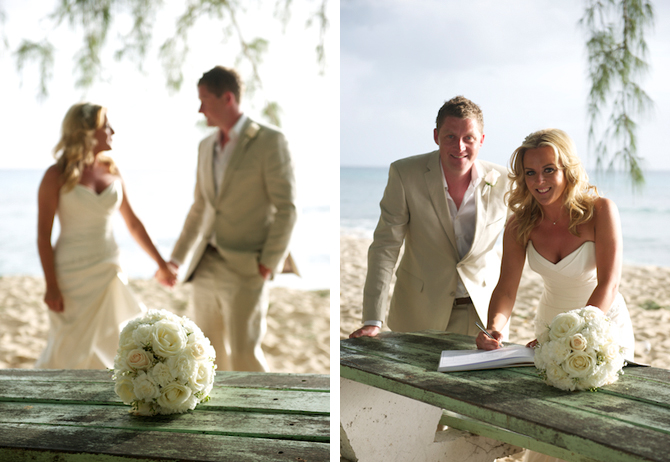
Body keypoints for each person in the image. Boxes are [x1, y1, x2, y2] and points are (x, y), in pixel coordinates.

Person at [165, 66, 296, 372]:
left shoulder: (270, 141)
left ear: (227, 98)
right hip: (205, 262)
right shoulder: (205, 146)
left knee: (243, 354)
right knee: (203, 351)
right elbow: (200, 207)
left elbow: (287, 208)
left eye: (204, 99)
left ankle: (259, 417)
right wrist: (176, 259)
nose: (200, 109)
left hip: (247, 266)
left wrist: (268, 262)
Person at [350, 96, 510, 339]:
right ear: (436, 136)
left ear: (482, 140)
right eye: (450, 137)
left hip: (483, 316)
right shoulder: (405, 174)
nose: (459, 147)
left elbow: (527, 236)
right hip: (419, 312)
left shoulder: (506, 180)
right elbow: (385, 247)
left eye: (468, 138)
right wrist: (373, 319)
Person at [475, 128, 635, 362]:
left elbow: (608, 284)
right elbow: (507, 289)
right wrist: (492, 328)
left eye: (549, 170)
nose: (539, 181)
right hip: (549, 325)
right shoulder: (519, 224)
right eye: (530, 173)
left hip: (601, 320)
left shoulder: (601, 211)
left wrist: (573, 332)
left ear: (568, 170)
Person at [36, 102, 176, 369]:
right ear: (86, 131)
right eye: (106, 126)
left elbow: (133, 223)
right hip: (71, 275)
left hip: (109, 267)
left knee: (113, 342)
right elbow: (43, 236)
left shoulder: (112, 169)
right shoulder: (55, 175)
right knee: (68, 344)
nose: (113, 130)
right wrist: (50, 285)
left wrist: (161, 264)